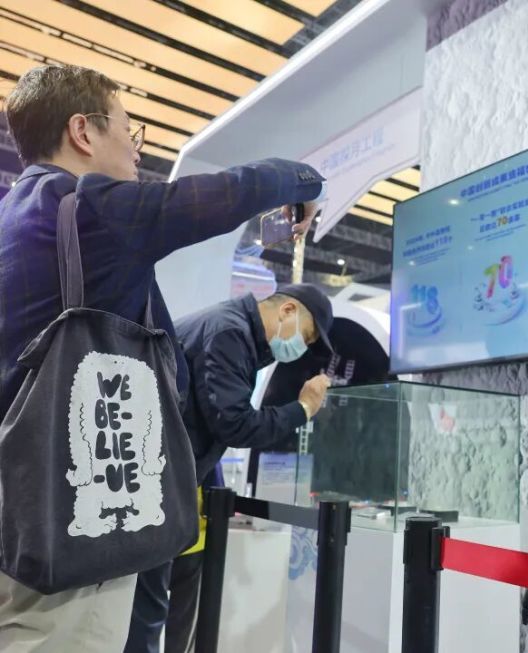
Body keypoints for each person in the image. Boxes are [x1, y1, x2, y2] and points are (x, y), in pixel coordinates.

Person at [0, 64, 324, 652]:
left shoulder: (12, 216)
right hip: (77, 520)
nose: (136, 148)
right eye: (129, 129)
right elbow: (227, 193)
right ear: (83, 131)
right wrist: (303, 181)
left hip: (20, 501)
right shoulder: (92, 208)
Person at [125, 284, 334, 653]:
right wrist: (303, 408)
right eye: (306, 336)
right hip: (154, 483)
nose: (301, 347)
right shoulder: (229, 332)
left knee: (152, 607)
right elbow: (234, 424)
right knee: (146, 612)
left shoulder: (232, 331)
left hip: (164, 481)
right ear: (287, 310)